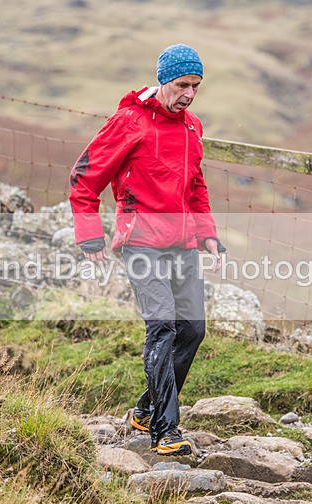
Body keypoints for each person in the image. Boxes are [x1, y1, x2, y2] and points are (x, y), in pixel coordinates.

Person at [69, 44, 225, 456]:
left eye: (196, 86)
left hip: (182, 243)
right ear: (163, 81)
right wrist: (89, 235)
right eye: (181, 85)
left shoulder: (193, 128)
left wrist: (207, 234)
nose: (189, 94)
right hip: (140, 242)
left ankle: (145, 408)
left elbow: (195, 186)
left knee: (192, 328)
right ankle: (164, 431)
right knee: (162, 326)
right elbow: (84, 177)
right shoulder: (128, 122)